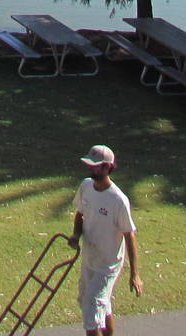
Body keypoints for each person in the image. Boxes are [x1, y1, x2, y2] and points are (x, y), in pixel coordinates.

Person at [67, 144, 141, 336]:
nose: (90, 169)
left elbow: (129, 235)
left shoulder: (118, 200)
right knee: (95, 303)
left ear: (107, 167)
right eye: (89, 165)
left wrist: (135, 274)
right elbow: (80, 214)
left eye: (95, 166)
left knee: (92, 308)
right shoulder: (86, 186)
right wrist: (76, 235)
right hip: (90, 258)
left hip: (108, 265)